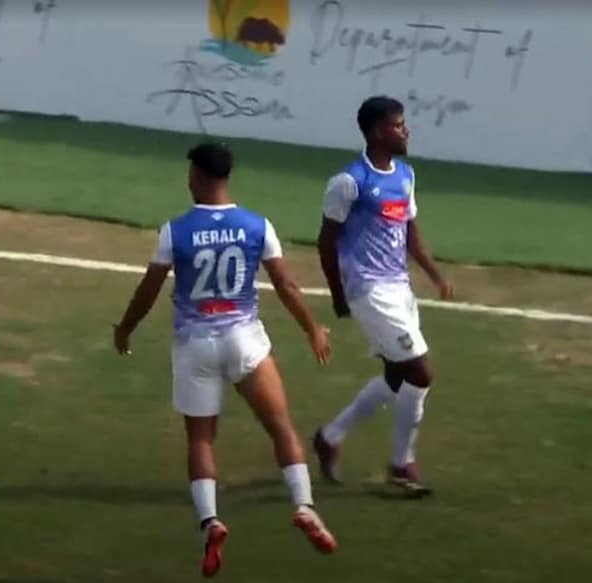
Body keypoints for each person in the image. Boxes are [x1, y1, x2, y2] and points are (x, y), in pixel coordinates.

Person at [113, 142, 338, 578]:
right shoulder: (257, 225)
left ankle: (210, 521)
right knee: (280, 426)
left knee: (201, 439)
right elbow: (287, 285)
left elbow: (149, 288)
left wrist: (125, 328)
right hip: (245, 339)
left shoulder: (174, 231)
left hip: (195, 343)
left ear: (198, 176)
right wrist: (312, 328)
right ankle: (305, 506)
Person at [312, 96, 453, 497]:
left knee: (395, 377)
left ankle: (329, 436)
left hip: (399, 289)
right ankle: (401, 463)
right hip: (369, 290)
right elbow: (326, 243)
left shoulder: (405, 176)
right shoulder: (350, 182)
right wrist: (338, 294)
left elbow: (411, 233)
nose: (405, 130)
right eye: (398, 125)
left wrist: (435, 275)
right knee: (420, 372)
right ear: (377, 132)